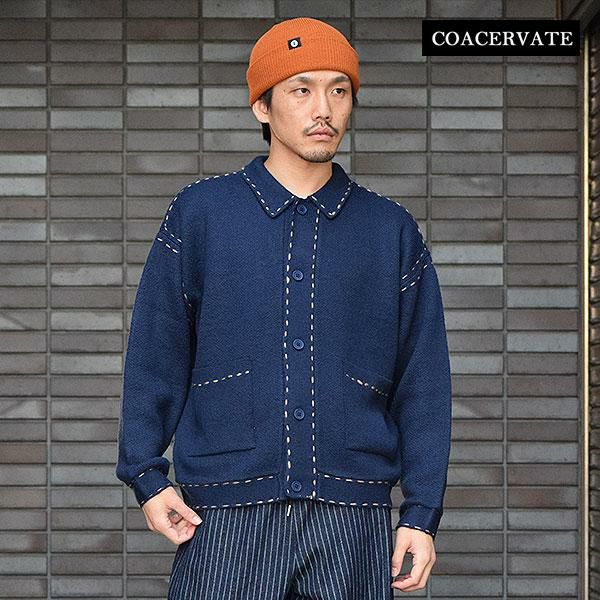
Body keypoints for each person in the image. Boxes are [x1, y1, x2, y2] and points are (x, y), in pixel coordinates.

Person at [115, 16, 452, 599]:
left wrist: (420, 513)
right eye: (301, 90)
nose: (324, 109)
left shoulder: (390, 229)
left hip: (353, 519)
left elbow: (422, 380)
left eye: (339, 91)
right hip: (224, 516)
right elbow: (156, 353)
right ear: (262, 107)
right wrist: (145, 475)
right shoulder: (201, 215)